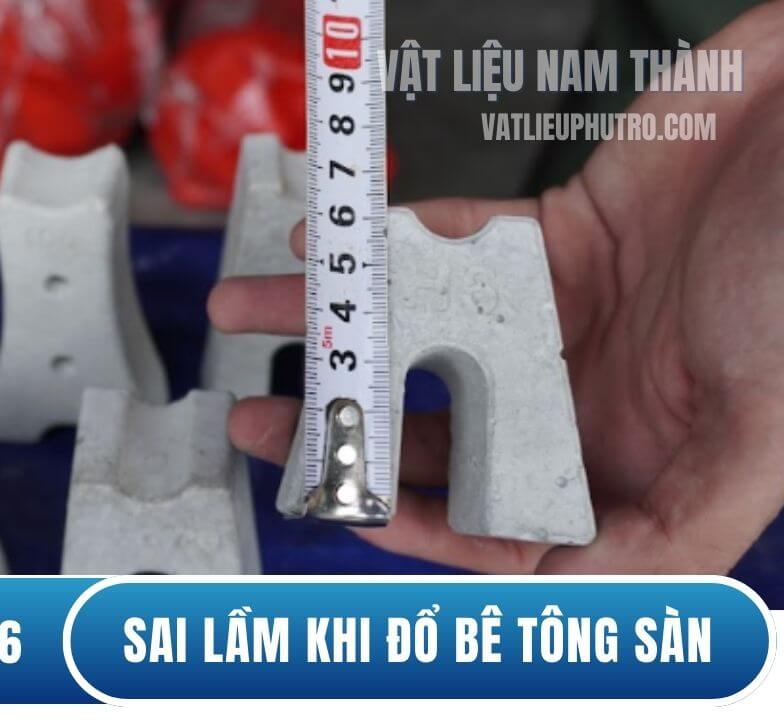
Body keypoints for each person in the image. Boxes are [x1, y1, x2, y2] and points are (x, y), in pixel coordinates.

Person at [206, 2, 784, 573]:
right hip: (684, 138)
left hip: (665, 188)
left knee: (666, 100)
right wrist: (766, 93)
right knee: (667, 74)